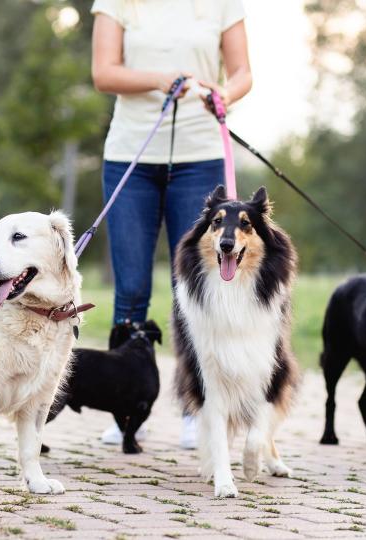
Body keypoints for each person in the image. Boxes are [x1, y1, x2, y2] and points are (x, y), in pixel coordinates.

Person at [90, 0, 252, 449]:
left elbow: (243, 73)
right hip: (131, 155)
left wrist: (226, 93)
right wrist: (160, 80)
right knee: (132, 286)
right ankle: (127, 412)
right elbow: (104, 73)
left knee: (196, 288)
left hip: (201, 159)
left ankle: (195, 409)